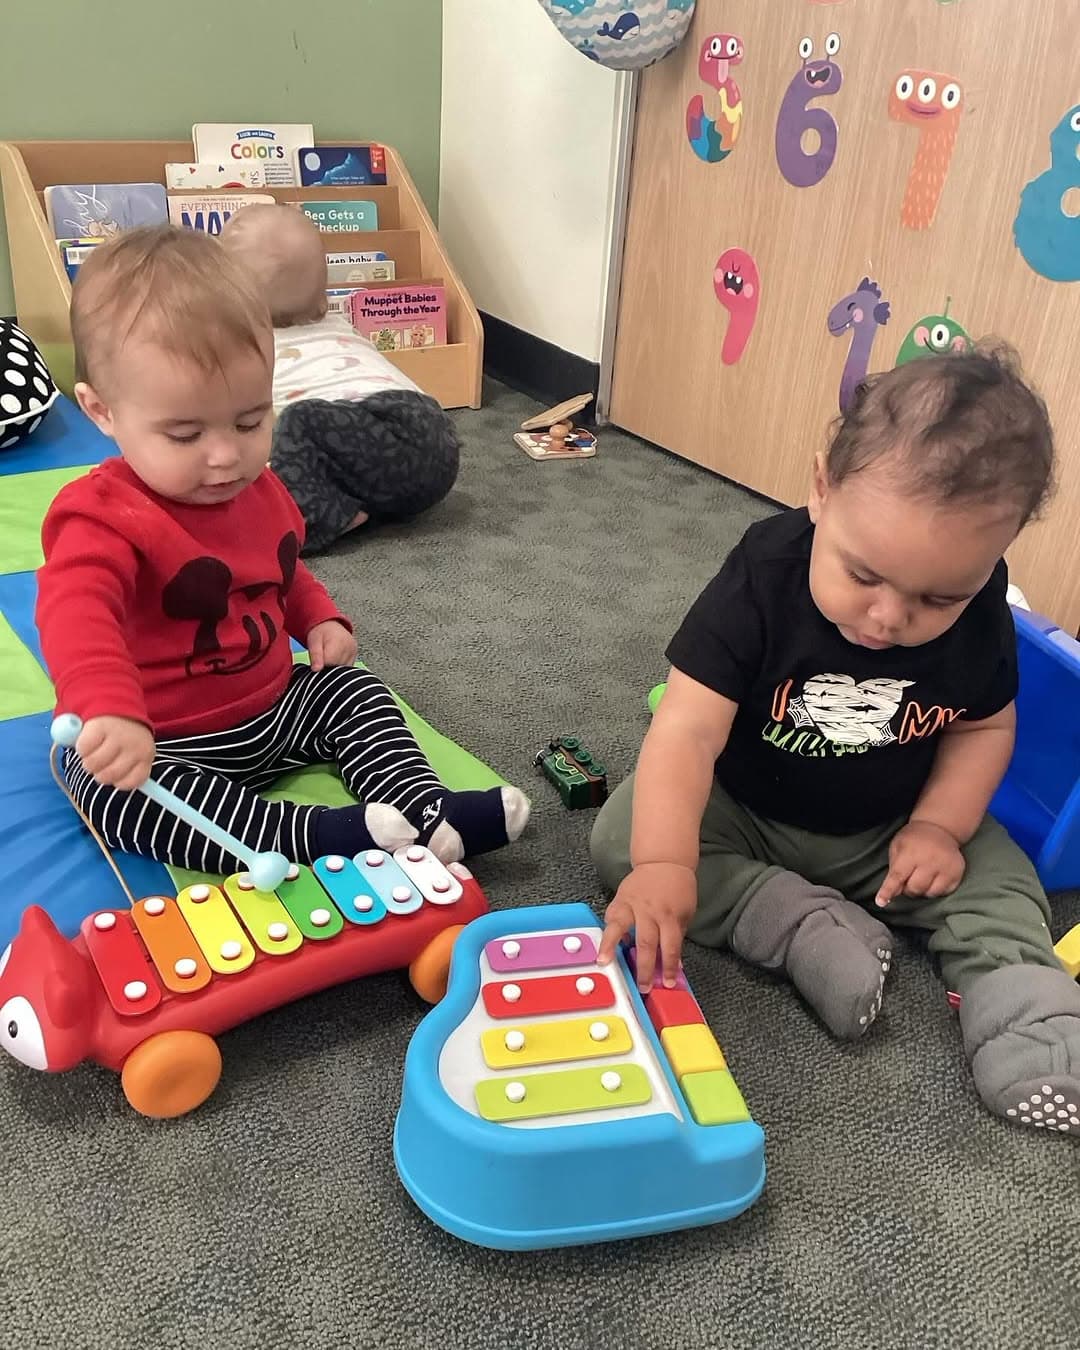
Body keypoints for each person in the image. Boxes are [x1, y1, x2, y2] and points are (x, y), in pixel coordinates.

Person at [590, 347, 1080, 1135]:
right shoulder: (763, 574)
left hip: (891, 826)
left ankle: (1029, 1017)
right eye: (863, 576)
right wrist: (663, 865)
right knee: (625, 836)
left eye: (936, 598)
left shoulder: (982, 601)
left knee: (1001, 881)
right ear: (821, 488)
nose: (889, 618)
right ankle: (792, 921)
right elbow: (684, 728)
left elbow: (986, 724)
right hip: (747, 807)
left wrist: (939, 827)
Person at [36, 226, 528, 875]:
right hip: (162, 740)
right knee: (108, 792)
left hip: (270, 708)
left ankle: (425, 810)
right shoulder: (100, 517)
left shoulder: (260, 486)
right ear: (102, 412)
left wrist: (318, 617)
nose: (226, 455)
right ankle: (312, 835)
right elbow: (75, 616)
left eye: (249, 421)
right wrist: (109, 710)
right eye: (184, 434)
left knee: (356, 694)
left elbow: (283, 567)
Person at [220, 203, 459, 553]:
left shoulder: (250, 348)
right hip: (436, 439)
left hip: (393, 426)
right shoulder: (335, 323)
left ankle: (319, 518)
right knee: (311, 438)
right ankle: (361, 504)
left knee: (298, 422)